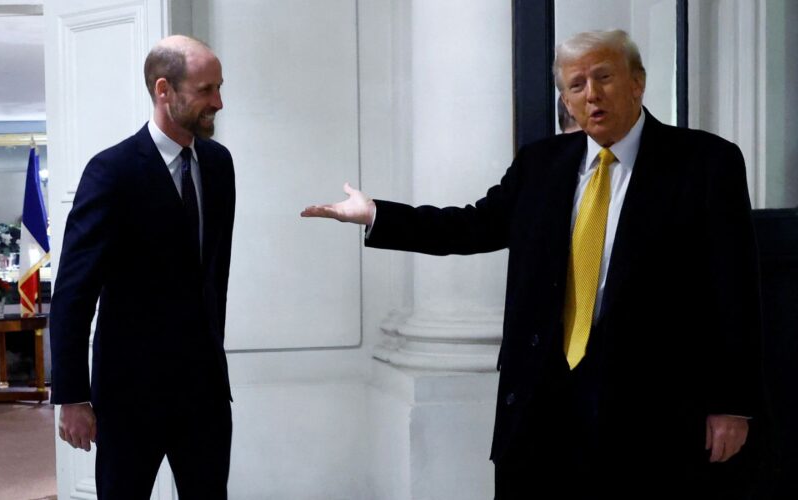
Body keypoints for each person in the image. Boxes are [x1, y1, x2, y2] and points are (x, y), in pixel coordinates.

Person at [302, 30, 763, 499]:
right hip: (543, 397)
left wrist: (732, 404)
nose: (592, 94)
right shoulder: (542, 163)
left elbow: (735, 288)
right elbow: (474, 226)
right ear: (565, 98)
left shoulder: (705, 162)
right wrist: (377, 214)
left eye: (604, 77)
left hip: (652, 404)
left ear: (638, 82)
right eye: (577, 85)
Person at [51, 35, 235, 499]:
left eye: (219, 88)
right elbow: (74, 291)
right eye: (205, 90)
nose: (218, 101)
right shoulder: (111, 172)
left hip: (205, 394)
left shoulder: (219, 164)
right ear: (163, 90)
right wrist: (73, 396)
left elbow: (215, 277)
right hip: (129, 395)